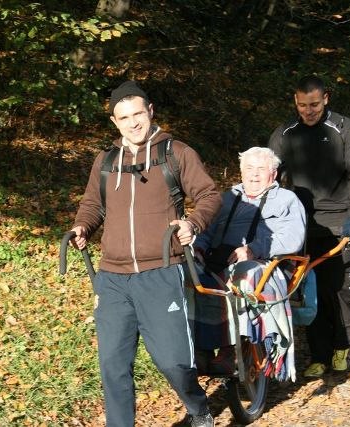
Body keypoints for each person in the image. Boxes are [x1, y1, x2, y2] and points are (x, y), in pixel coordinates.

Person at [70, 80, 221, 427]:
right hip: (112, 279)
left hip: (162, 273)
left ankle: (198, 409)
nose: (133, 123)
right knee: (113, 366)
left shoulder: (176, 153)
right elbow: (92, 204)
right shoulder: (106, 161)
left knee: (173, 362)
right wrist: (82, 227)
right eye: (124, 117)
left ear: (150, 112)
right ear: (114, 122)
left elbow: (210, 195)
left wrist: (193, 224)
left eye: (138, 114)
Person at [268, 75, 350, 378]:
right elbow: (268, 174)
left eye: (313, 104)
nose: (308, 111)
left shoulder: (344, 128)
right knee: (306, 291)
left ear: (326, 98)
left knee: (334, 288)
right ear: (295, 102)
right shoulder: (285, 133)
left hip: (338, 221)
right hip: (299, 223)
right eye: (302, 105)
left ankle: (342, 347)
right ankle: (319, 354)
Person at [192, 147, 306, 380]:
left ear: (273, 174)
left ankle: (231, 350)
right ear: (241, 172)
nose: (254, 175)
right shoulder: (226, 198)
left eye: (261, 169)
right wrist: (200, 247)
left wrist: (254, 249)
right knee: (187, 276)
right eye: (249, 168)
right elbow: (207, 228)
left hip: (266, 263)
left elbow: (293, 237)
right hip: (219, 258)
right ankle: (199, 348)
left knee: (244, 276)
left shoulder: (287, 200)